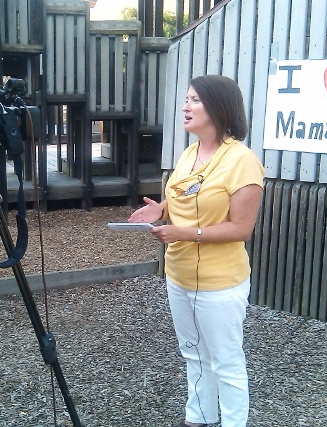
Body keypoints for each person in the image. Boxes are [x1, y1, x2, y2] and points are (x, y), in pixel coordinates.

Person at [129, 75, 264, 427]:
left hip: (220, 284)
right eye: (186, 99)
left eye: (195, 101)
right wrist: (160, 209)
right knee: (193, 354)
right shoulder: (190, 152)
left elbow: (241, 228)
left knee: (226, 361)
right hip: (180, 275)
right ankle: (199, 418)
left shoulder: (242, 161)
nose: (185, 107)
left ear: (220, 107)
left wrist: (182, 232)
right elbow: (186, 198)